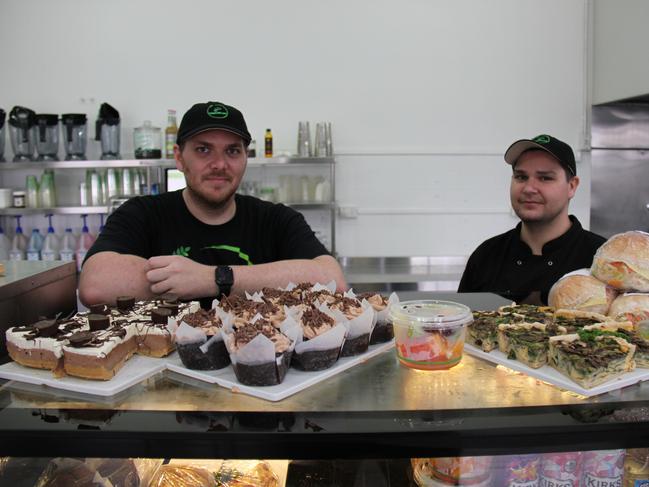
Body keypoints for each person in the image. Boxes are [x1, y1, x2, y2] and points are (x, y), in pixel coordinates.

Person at [79, 101, 346, 307]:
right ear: (179, 158)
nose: (219, 164)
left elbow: (333, 282)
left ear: (245, 158)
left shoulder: (276, 220)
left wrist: (214, 279)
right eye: (203, 149)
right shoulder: (143, 214)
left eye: (232, 151)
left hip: (258, 370)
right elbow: (95, 284)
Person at [458, 134, 606, 305]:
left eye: (545, 178)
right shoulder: (486, 256)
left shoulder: (600, 260)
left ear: (571, 186)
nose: (529, 188)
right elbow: (459, 327)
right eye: (521, 177)